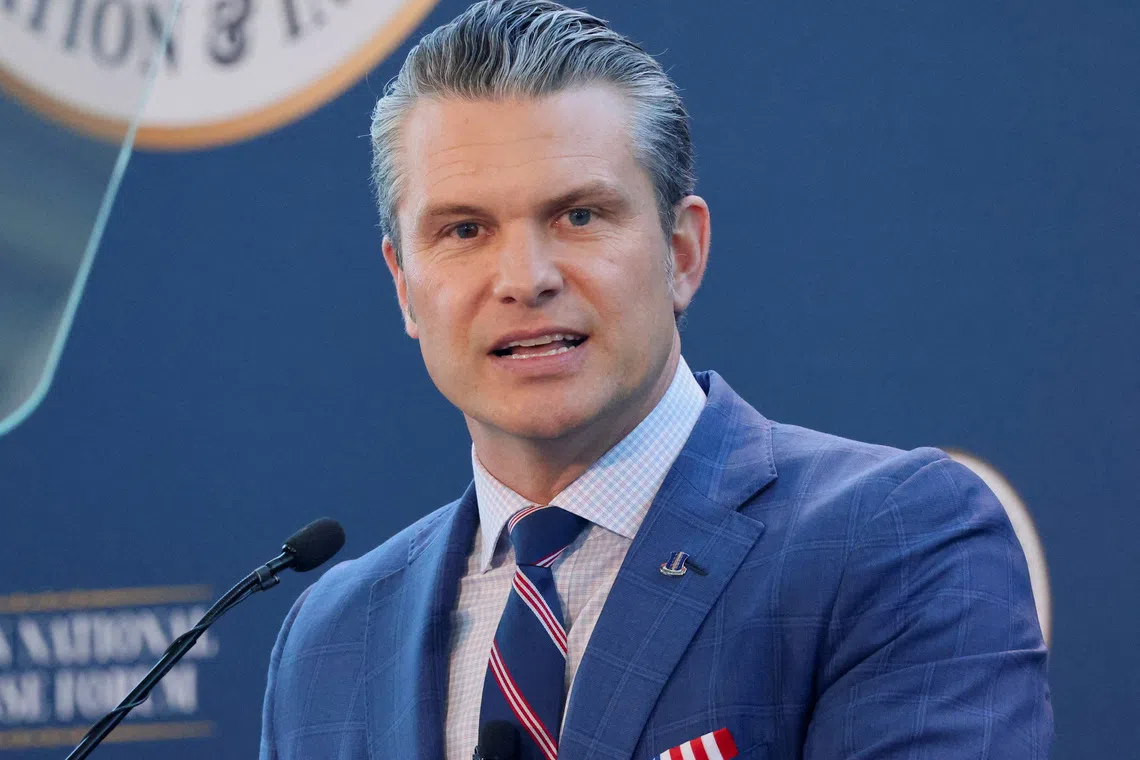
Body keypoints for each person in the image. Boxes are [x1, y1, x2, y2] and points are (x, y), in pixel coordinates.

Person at [259, 2, 1052, 758]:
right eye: (464, 230)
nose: (525, 278)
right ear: (404, 286)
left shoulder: (894, 541)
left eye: (579, 216)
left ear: (681, 252)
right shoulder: (330, 637)